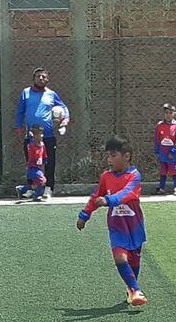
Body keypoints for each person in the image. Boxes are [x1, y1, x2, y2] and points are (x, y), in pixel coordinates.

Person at [76, 136, 147, 306]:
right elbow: (96, 196)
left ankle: (131, 288)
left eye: (113, 156)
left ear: (127, 156)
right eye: (108, 156)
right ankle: (136, 290)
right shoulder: (106, 177)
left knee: (134, 261)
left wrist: (109, 200)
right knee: (120, 258)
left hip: (134, 225)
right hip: (117, 226)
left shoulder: (135, 176)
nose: (109, 160)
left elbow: (127, 193)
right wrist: (85, 214)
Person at [14, 67, 69, 199]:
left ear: (48, 79)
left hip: (48, 136)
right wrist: (18, 127)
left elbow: (63, 107)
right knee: (31, 164)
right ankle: (32, 188)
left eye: (44, 77)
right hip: (31, 136)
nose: (41, 78)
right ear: (34, 78)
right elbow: (20, 111)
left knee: (50, 163)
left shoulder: (52, 94)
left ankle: (48, 188)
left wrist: (65, 119)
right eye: (38, 76)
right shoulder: (26, 93)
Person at [154, 103, 176, 196]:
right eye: (166, 112)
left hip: (172, 153)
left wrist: (173, 150)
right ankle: (162, 188)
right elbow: (157, 138)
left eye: (170, 113)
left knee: (174, 170)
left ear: (174, 113)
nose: (168, 115)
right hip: (163, 152)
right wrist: (157, 150)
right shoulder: (160, 125)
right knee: (163, 170)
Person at [15, 125, 48, 202]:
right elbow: (35, 155)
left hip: (38, 168)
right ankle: (37, 196)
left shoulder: (42, 145)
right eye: (39, 134)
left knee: (36, 185)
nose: (42, 135)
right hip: (32, 168)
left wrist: (43, 162)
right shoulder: (31, 145)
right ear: (35, 135)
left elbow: (44, 156)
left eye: (42, 133)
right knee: (43, 180)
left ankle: (21, 189)